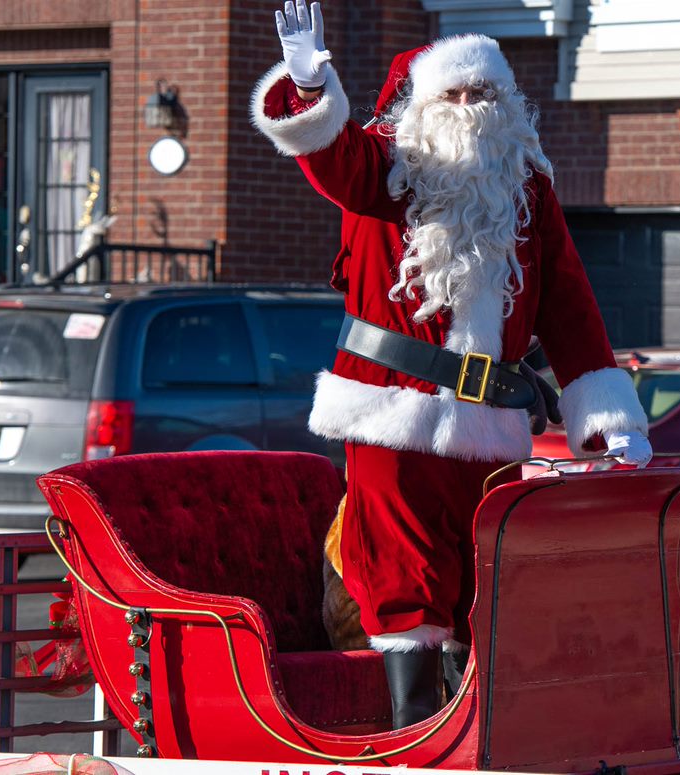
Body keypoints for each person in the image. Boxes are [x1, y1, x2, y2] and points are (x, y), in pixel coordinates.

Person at [250, 1, 652, 729]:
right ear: (418, 107)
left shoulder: (527, 188)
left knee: (486, 579)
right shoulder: (387, 168)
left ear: (507, 104)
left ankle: (479, 735)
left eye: (482, 93)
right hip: (391, 415)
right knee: (405, 578)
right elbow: (333, 160)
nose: (469, 109)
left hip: (491, 426)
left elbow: (568, 301)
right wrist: (310, 88)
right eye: (453, 94)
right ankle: (412, 729)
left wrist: (607, 416)